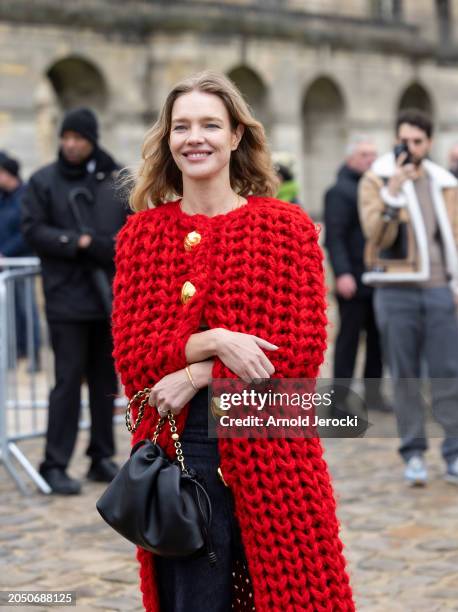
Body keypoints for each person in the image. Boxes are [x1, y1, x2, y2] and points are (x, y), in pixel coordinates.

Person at [112, 71, 354, 611]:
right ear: (167, 140)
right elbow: (134, 356)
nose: (194, 137)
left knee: (293, 593)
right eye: (181, 126)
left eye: (210, 125)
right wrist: (218, 340)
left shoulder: (284, 228)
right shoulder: (143, 235)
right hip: (181, 454)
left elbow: (296, 356)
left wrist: (196, 369)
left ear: (236, 136)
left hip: (273, 448)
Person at [22, 108, 129, 495]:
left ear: (91, 139)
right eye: (66, 136)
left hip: (109, 297)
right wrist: (77, 243)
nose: (71, 144)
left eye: (78, 137)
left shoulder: (117, 180)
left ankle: (101, 455)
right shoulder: (43, 181)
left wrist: (105, 248)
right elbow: (34, 230)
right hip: (66, 298)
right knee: (67, 382)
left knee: (105, 380)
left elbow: (134, 229)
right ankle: (54, 462)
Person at [358, 108, 458, 486]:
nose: (411, 148)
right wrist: (393, 192)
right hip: (395, 290)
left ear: (429, 143)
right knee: (405, 375)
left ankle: (454, 451)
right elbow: (376, 234)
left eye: (418, 142)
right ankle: (413, 452)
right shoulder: (377, 179)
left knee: (449, 372)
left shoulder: (445, 182)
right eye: (404, 141)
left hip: (438, 289)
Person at [324, 137, 389, 416]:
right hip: (352, 279)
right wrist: (342, 274)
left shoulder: (377, 189)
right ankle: (338, 403)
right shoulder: (339, 191)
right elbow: (335, 237)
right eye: (364, 154)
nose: (370, 160)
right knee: (349, 342)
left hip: (378, 279)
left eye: (374, 155)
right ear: (351, 158)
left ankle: (373, 396)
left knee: (377, 340)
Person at [0, 151, 41, 365]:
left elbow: (26, 232)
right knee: (10, 311)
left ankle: (33, 354)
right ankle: (16, 352)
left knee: (27, 309)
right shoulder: (3, 198)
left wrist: (5, 253)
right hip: (6, 264)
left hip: (21, 260)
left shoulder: (25, 196)